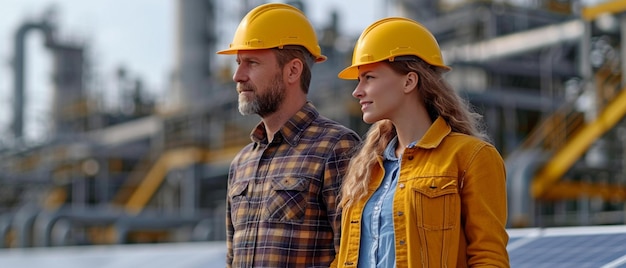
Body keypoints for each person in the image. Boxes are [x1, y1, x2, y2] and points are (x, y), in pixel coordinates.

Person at [335, 17, 510, 267]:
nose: (357, 91)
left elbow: (488, 258)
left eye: (369, 78)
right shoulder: (367, 167)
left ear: (409, 81)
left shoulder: (471, 157)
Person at [216, 3, 361, 267]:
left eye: (252, 63)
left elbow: (352, 256)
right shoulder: (241, 163)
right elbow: (232, 259)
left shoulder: (336, 148)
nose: (237, 75)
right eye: (238, 63)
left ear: (293, 71)